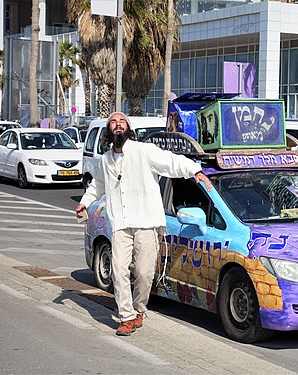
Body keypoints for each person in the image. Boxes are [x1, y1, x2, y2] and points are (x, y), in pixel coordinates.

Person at [75, 112, 211, 336]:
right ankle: (126, 317)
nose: (118, 125)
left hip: (146, 221)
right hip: (119, 223)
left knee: (144, 273)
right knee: (118, 271)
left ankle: (139, 310)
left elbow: (170, 162)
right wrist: (85, 203)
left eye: (122, 122)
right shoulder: (106, 159)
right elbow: (97, 185)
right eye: (113, 123)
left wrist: (194, 171)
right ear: (108, 130)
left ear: (128, 128)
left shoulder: (143, 151)